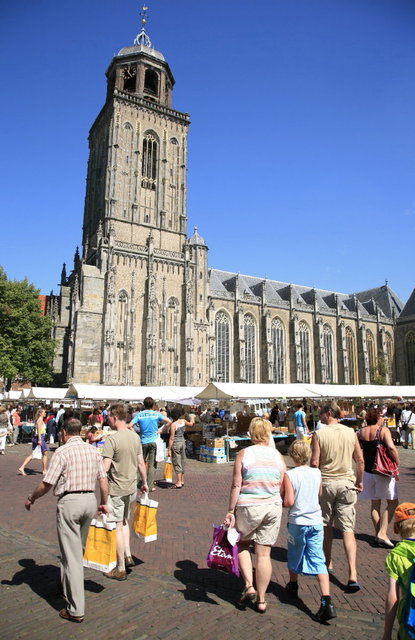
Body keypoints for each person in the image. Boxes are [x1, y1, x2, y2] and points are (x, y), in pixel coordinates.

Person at [24, 418, 108, 623]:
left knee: (72, 558)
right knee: (75, 549)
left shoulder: (62, 452)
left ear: (63, 433)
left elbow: (47, 483)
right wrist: (103, 502)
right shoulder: (92, 450)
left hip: (70, 502)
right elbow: (103, 479)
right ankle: (64, 585)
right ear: (81, 431)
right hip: (89, 500)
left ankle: (76, 609)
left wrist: (31, 498)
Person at [223, 417, 286, 613]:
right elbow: (282, 483)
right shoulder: (277, 456)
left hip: (249, 505)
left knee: (242, 544)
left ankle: (249, 585)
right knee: (264, 553)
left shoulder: (244, 454)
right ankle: (261, 599)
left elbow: (236, 484)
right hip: (272, 505)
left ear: (251, 433)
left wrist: (230, 510)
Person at [310, 404, 364, 592]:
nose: (320, 417)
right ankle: (352, 575)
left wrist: (314, 483)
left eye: (321, 414)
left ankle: (327, 562)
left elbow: (315, 462)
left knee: (326, 526)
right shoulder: (351, 432)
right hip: (347, 483)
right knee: (348, 529)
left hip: (326, 484)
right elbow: (360, 460)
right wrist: (359, 481)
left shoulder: (319, 434)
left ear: (328, 414)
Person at [283, 440, 336, 623]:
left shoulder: (290, 475)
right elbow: (319, 494)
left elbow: (289, 501)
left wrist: (282, 502)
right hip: (316, 521)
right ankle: (326, 599)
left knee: (294, 552)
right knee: (318, 558)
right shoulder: (316, 472)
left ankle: (293, 584)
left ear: (292, 455)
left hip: (298, 520)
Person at [102, 403, 149, 580]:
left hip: (116, 488)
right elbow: (140, 463)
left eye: (108, 417)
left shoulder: (112, 440)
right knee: (123, 521)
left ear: (115, 417)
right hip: (131, 488)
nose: (107, 420)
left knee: (116, 525)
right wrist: (144, 482)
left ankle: (120, 567)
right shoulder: (134, 437)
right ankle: (128, 554)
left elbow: (104, 469)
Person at [358, 406, 400, 548]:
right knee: (392, 502)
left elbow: (357, 452)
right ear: (377, 417)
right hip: (382, 471)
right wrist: (397, 462)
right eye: (381, 416)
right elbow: (391, 447)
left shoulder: (361, 432)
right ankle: (382, 532)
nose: (383, 418)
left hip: (368, 471)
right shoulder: (383, 430)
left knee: (375, 504)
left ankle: (378, 536)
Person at [382, 503, 415, 640]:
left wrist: (387, 634)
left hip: (410, 621)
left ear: (396, 528)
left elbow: (392, 597)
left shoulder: (395, 556)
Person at [128, 397, 171, 491]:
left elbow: (129, 426)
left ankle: (134, 484)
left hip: (142, 441)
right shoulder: (156, 414)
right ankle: (150, 485)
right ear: (153, 405)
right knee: (152, 465)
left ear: (144, 405)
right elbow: (169, 422)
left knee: (140, 463)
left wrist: (135, 434)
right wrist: (161, 430)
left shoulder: (140, 414)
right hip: (153, 441)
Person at [167, 408, 194, 488]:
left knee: (177, 462)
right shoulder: (183, 421)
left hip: (176, 443)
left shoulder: (173, 424)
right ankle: (182, 480)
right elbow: (191, 424)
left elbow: (171, 438)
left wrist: (168, 449)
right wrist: (192, 417)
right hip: (183, 442)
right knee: (183, 461)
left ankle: (178, 482)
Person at [18, 408, 48, 475]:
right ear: (40, 413)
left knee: (34, 454)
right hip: (40, 437)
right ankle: (44, 470)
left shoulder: (38, 420)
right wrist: (40, 440)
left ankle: (22, 467)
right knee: (45, 454)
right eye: (44, 412)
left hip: (37, 437)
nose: (45, 413)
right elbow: (39, 431)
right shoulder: (40, 420)